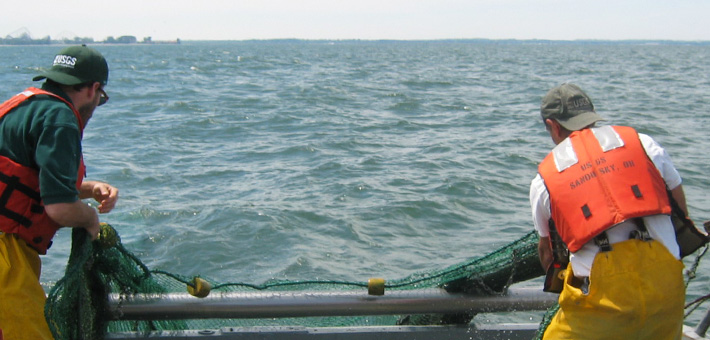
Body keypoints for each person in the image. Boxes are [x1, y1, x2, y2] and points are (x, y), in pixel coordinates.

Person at [529, 83, 687, 339]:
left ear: (553, 126)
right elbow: (681, 214)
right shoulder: (645, 144)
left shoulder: (544, 180)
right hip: (666, 291)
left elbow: (548, 253)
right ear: (592, 117)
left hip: (601, 307)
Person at [0, 45, 119, 340]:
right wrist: (91, 220)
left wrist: (87, 189)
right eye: (100, 98)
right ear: (93, 90)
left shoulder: (23, 106)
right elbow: (60, 208)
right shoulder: (61, 119)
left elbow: (26, 182)